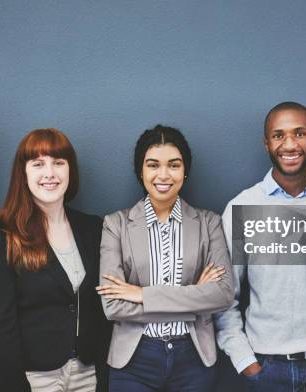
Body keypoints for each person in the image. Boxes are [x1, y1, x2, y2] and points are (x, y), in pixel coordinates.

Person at [214, 101, 306, 392]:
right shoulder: (241, 207)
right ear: (266, 142)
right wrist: (246, 361)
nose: (290, 144)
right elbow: (224, 296)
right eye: (279, 135)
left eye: (299, 133)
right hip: (263, 371)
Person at [96, 124, 233, 392]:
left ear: (185, 171)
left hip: (193, 358)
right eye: (152, 165)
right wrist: (195, 298)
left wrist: (142, 294)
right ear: (141, 170)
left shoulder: (209, 222)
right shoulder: (116, 224)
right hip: (134, 362)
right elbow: (113, 306)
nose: (163, 174)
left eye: (174, 165)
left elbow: (223, 294)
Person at [0, 128, 110, 392]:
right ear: (24, 173)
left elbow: (103, 312)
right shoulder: (4, 237)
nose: (50, 173)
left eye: (58, 163)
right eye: (38, 164)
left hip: (86, 375)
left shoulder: (93, 228)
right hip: (29, 378)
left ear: (70, 170)